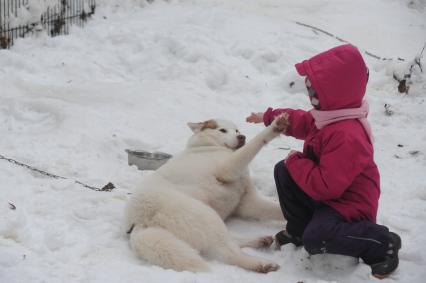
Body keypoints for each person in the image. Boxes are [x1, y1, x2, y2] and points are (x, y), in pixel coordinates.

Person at [246, 44, 401, 279]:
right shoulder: (332, 115)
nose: (310, 95)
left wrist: (296, 160)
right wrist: (269, 117)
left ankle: (381, 241)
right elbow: (303, 121)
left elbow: (325, 187)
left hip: (349, 206)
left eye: (315, 90)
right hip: (331, 195)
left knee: (318, 238)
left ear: (335, 92)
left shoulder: (347, 135)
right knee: (283, 171)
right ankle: (298, 230)